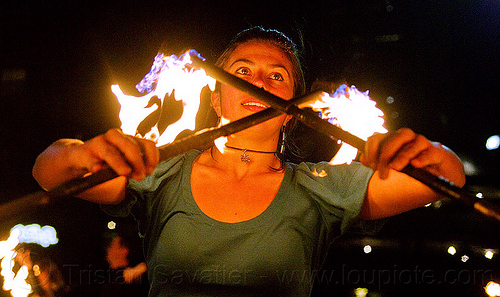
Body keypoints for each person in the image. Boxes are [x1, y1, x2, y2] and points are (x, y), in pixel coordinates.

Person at [32, 26, 466, 296]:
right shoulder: (162, 169)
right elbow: (49, 172)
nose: (259, 81)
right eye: (242, 72)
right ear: (217, 97)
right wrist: (80, 153)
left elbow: (445, 177)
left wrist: (418, 153)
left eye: (276, 76)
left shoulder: (324, 186)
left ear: (292, 111)